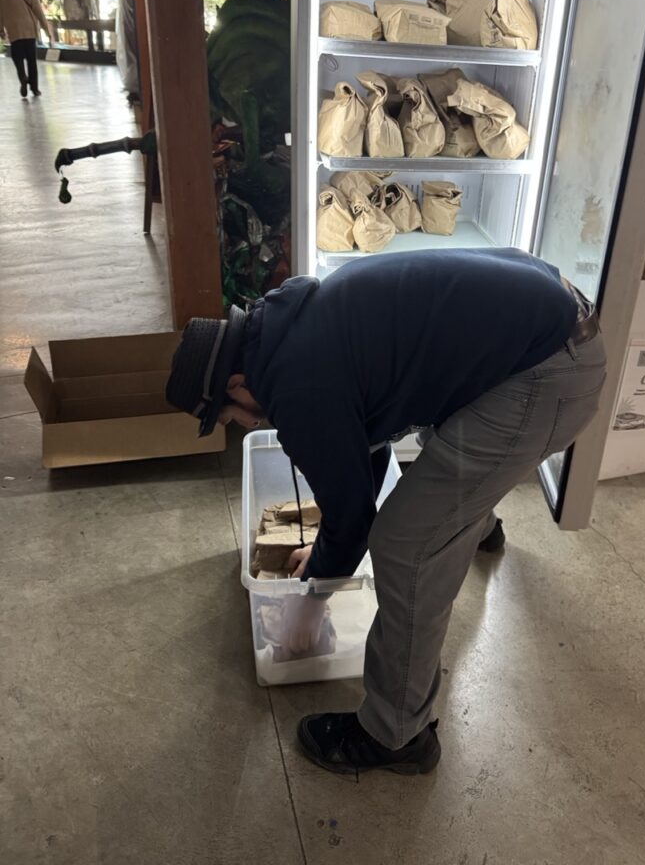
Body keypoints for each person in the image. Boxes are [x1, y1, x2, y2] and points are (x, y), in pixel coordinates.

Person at [166, 248, 607, 776]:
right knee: (439, 460)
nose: (243, 425)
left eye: (229, 416)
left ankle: (395, 735)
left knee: (405, 546)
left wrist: (311, 601)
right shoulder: (290, 324)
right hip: (547, 323)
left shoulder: (298, 386)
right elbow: (363, 449)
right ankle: (475, 526)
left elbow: (355, 517)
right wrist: (328, 549)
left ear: (236, 384)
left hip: (549, 370)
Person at [0, 0, 50, 99]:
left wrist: (1, 29)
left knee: (18, 58)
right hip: (29, 29)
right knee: (31, 60)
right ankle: (35, 88)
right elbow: (38, 11)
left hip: (14, 30)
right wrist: (46, 29)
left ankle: (23, 77)